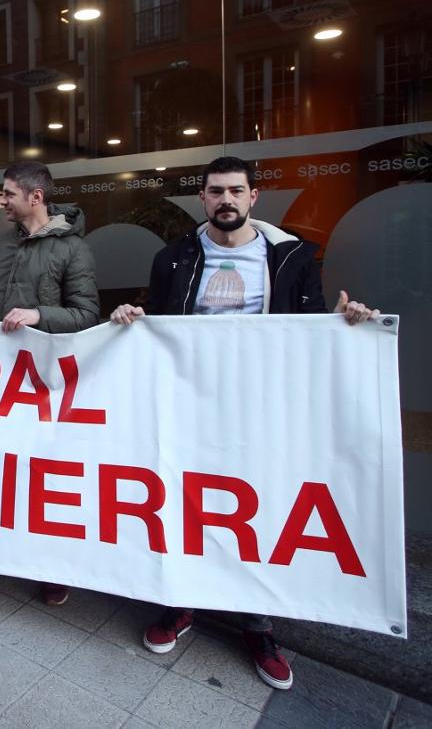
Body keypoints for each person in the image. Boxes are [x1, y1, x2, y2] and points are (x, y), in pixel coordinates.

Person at [109, 155, 379, 691]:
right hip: (189, 405)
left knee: (258, 506)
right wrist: (131, 322)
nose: (226, 200)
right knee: (185, 500)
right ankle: (181, 604)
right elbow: (160, 329)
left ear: (254, 197)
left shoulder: (292, 257)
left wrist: (349, 325)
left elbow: (309, 329)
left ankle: (257, 625)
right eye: (215, 191)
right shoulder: (173, 259)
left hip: (262, 408)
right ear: (202, 199)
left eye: (236, 190)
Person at [0, 160, 99, 605]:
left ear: (36, 197)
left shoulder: (73, 250)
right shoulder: (2, 245)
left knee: (40, 472)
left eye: (8, 194)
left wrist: (38, 315)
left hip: (44, 382)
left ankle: (49, 567)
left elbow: (87, 315)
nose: (1, 201)